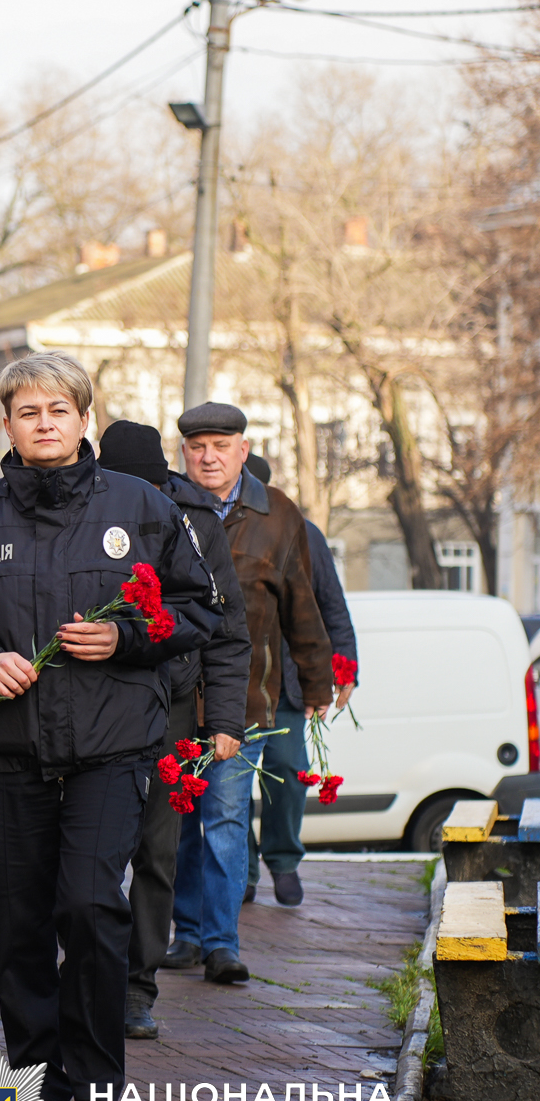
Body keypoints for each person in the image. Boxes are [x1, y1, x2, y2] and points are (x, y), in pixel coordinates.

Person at [0, 353, 218, 1101]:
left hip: (111, 750)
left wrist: (126, 636)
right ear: (5, 424)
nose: (44, 423)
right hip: (6, 755)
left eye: (59, 410)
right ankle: (39, 1093)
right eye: (28, 411)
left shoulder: (142, 506)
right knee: (21, 929)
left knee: (90, 907)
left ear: (84, 419)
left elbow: (199, 609)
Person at [167, 404, 332, 985]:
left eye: (221, 446)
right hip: (176, 702)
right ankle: (186, 934)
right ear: (182, 452)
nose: (208, 457)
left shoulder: (277, 513)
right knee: (178, 824)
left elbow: (302, 604)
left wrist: (317, 681)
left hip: (247, 701)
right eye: (197, 447)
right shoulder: (163, 504)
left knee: (227, 819)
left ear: (243, 449)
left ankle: (220, 943)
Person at [96, 421, 250, 1042]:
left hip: (172, 709)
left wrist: (226, 720)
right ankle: (91, 975)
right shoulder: (82, 515)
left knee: (157, 854)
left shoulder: (196, 521)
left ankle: (137, 988)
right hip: (93, 706)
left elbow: (227, 630)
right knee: (92, 854)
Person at [242, 454, 357, 908]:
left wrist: (345, 668)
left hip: (287, 688)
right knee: (230, 788)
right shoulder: (215, 530)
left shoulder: (305, 535)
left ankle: (284, 860)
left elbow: (332, 606)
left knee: (289, 774)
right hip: (233, 685)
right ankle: (242, 870)